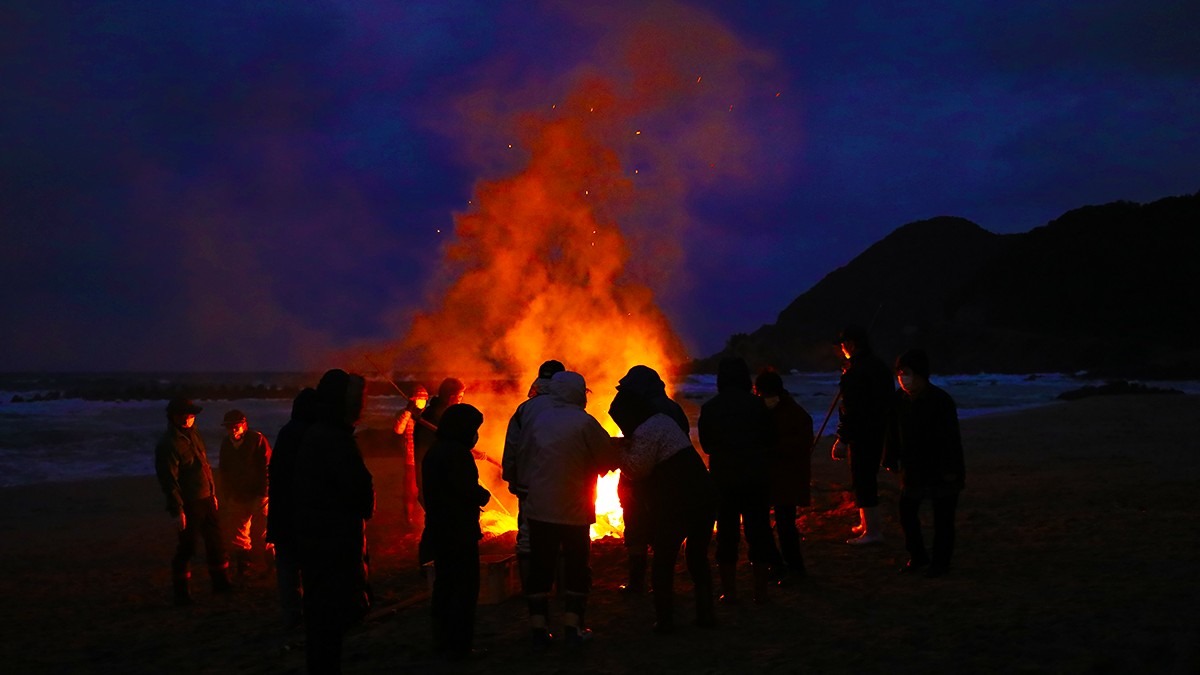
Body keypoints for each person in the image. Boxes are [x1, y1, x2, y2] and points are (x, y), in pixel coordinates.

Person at [610, 387, 716, 634]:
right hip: (704, 496)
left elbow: (637, 469)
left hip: (679, 502)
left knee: (663, 562)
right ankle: (706, 614)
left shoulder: (647, 430)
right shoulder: (662, 421)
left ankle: (665, 620)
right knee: (697, 558)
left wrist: (616, 454)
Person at [521, 371, 615, 648]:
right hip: (574, 510)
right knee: (576, 567)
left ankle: (538, 630)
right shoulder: (585, 423)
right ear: (577, 393)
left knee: (540, 567)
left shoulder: (538, 421)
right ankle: (573, 627)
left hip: (539, 508)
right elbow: (607, 459)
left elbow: (525, 459)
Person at [295, 369, 376, 674]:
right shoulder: (332, 439)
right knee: (328, 617)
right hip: (331, 542)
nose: (362, 406)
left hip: (324, 538)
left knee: (325, 618)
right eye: (359, 400)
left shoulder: (322, 433)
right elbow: (353, 488)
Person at [697, 357, 778, 604]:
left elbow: (707, 446)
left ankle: (729, 593)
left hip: (724, 480)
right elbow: (769, 440)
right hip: (756, 478)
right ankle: (761, 593)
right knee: (759, 533)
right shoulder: (758, 406)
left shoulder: (710, 408)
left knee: (726, 536)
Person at [883, 349, 966, 578]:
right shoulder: (899, 399)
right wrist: (890, 457)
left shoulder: (941, 400)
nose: (902, 377)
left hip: (942, 469)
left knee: (943, 520)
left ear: (920, 374)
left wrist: (950, 471)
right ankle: (918, 557)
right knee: (907, 513)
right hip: (913, 468)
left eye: (906, 372)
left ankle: (940, 564)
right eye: (899, 373)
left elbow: (951, 439)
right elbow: (892, 432)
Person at [611, 365, 690, 595]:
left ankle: (638, 583)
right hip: (669, 480)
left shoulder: (640, 407)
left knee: (636, 530)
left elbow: (621, 418)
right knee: (661, 532)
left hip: (642, 479)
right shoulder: (673, 408)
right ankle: (661, 584)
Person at [422, 403, 492, 659]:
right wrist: (482, 495)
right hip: (458, 532)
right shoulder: (457, 454)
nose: (476, 435)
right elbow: (465, 489)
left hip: (439, 530)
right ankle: (461, 646)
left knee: (444, 587)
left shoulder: (436, 450)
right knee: (464, 589)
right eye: (474, 429)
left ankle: (442, 642)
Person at [154, 396, 233, 605]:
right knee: (187, 547)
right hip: (189, 503)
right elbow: (169, 480)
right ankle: (182, 593)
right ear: (173, 417)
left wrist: (213, 493)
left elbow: (204, 466)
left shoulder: (194, 434)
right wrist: (177, 510)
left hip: (206, 498)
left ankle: (221, 583)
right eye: (185, 416)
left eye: (191, 416)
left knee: (216, 543)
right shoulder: (168, 444)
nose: (189, 419)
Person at [501, 359, 565, 591]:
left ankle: (530, 588)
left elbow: (512, 447)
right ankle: (563, 588)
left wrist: (511, 477)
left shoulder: (524, 410)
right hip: (563, 486)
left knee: (527, 538)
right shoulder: (570, 408)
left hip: (530, 485)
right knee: (564, 535)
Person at [832, 324, 895, 544]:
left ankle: (873, 531)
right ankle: (866, 524)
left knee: (863, 477)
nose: (842, 349)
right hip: (879, 428)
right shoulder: (878, 366)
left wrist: (842, 438)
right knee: (865, 476)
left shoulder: (857, 371)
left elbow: (852, 409)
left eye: (843, 344)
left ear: (850, 344)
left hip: (863, 432)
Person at [755, 369, 814, 581]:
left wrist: (771, 450)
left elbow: (803, 443)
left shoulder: (795, 414)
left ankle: (795, 567)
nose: (764, 398)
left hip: (787, 477)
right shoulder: (762, 410)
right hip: (769, 476)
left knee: (785, 525)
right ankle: (777, 563)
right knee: (764, 523)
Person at [267, 387, 318, 630]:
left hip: (283, 514)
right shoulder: (309, 435)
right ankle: (307, 613)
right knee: (308, 566)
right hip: (301, 515)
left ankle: (292, 616)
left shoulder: (286, 433)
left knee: (288, 569)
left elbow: (275, 475)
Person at [415, 377, 466, 568]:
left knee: (439, 522)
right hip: (433, 477)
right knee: (437, 522)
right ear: (452, 396)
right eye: (460, 396)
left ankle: (438, 562)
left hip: (435, 475)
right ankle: (429, 563)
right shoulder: (435, 417)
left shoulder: (439, 414)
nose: (461, 400)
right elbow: (437, 449)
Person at [218, 409, 272, 579]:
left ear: (244, 425)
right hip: (238, 494)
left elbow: (267, 466)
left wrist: (264, 491)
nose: (233, 430)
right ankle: (244, 566)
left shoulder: (257, 439)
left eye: (236, 426)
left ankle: (271, 565)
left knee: (263, 531)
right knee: (238, 534)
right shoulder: (226, 444)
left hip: (259, 493)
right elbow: (224, 470)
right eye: (229, 427)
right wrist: (227, 493)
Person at [392, 385, 429, 534]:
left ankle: (425, 517)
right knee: (410, 491)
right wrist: (408, 411)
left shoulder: (427, 416)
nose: (422, 401)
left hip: (425, 458)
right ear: (412, 400)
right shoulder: (405, 415)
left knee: (425, 490)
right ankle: (409, 519)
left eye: (424, 399)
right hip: (411, 459)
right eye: (419, 399)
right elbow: (398, 429)